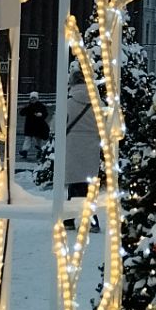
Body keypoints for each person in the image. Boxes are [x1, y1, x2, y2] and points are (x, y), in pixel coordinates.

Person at [58, 75, 100, 231]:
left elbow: (57, 125)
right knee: (87, 184)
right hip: (92, 146)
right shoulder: (97, 103)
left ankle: (70, 220)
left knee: (74, 182)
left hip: (72, 145)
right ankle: (90, 220)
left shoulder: (68, 103)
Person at [21, 93, 49, 161]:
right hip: (29, 126)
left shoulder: (41, 106)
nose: (33, 99)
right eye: (32, 98)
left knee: (38, 140)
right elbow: (21, 113)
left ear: (37, 99)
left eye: (34, 98)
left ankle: (40, 151)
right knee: (27, 139)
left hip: (38, 126)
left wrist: (41, 115)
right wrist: (25, 109)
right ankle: (24, 151)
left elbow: (45, 114)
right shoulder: (28, 106)